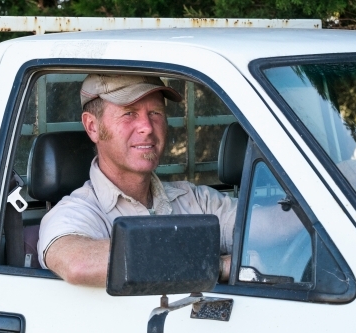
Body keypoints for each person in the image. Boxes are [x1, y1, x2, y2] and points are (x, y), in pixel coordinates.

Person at [37, 74, 237, 287]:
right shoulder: (75, 212)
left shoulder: (195, 200)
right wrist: (216, 266)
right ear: (92, 126)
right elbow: (79, 264)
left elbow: (265, 227)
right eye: (129, 113)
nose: (148, 127)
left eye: (155, 113)